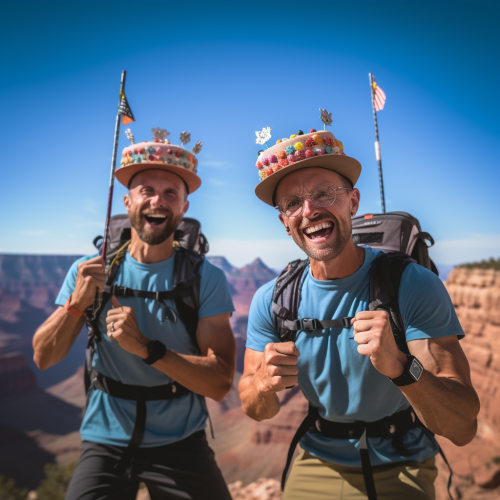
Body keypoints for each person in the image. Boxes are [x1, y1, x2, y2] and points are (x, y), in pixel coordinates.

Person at [239, 127, 479, 500]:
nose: (309, 210)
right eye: (291, 203)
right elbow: (254, 408)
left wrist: (402, 367)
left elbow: (462, 427)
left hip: (401, 462)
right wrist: (262, 384)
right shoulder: (271, 299)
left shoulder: (411, 285)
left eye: (323, 194)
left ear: (352, 202)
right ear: (284, 222)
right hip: (316, 457)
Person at [33, 129, 236, 500]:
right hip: (105, 440)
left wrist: (146, 348)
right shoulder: (90, 271)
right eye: (146, 191)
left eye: (171, 193)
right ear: (127, 202)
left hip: (181, 440)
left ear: (184, 208)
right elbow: (44, 357)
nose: (157, 200)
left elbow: (221, 383)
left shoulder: (205, 278)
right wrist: (77, 303)